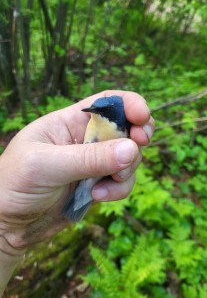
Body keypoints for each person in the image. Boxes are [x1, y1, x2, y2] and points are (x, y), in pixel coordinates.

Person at [0, 90, 154, 296]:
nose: (93, 112)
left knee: (91, 188)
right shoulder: (95, 120)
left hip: (99, 176)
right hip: (83, 176)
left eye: (100, 110)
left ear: (111, 112)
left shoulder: (118, 124)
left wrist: (7, 236)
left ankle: (76, 207)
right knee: (88, 188)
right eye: (93, 110)